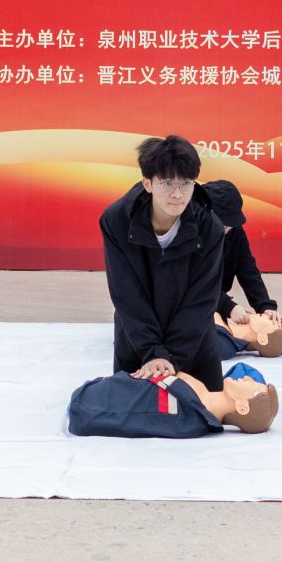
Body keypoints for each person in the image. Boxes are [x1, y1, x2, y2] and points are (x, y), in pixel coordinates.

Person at [99, 134, 226, 391]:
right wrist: (152, 352)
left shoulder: (209, 227)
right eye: (167, 184)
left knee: (206, 408)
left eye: (186, 184)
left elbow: (203, 297)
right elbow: (126, 293)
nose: (178, 195)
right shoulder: (116, 221)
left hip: (193, 344)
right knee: (135, 408)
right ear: (147, 183)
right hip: (137, 342)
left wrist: (171, 356)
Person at [67, 366, 282, 437]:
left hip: (89, 401)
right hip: (101, 389)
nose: (248, 379)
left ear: (242, 407)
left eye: (254, 387)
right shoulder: (199, 397)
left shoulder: (186, 417)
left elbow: (133, 414)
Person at [199, 180, 282, 326]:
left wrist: (264, 306)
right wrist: (229, 307)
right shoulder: (187, 232)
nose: (228, 229)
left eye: (231, 224)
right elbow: (193, 282)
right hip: (187, 305)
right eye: (224, 223)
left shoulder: (234, 230)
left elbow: (247, 269)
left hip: (216, 300)